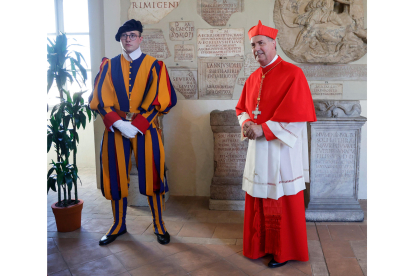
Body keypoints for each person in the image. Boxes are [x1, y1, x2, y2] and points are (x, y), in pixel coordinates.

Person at [235, 20, 317, 268]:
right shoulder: (252, 78)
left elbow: (298, 116)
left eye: (261, 43)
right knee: (259, 197)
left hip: (281, 151)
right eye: (253, 45)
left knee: (281, 200)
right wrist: (248, 123)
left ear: (273, 44)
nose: (256, 48)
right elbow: (241, 109)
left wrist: (265, 129)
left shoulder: (293, 74)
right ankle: (259, 246)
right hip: (258, 151)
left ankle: (283, 251)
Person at [89, 19, 177, 246]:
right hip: (116, 128)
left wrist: (137, 125)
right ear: (120, 39)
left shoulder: (156, 66)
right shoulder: (108, 65)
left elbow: (163, 101)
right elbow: (99, 100)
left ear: (140, 38)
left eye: (133, 35)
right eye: (124, 35)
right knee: (114, 176)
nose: (128, 39)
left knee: (154, 174)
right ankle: (118, 224)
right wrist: (119, 124)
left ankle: (159, 225)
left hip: (146, 128)